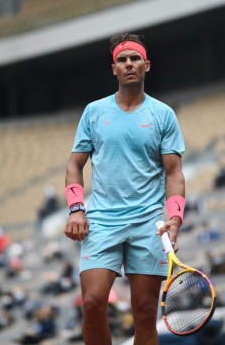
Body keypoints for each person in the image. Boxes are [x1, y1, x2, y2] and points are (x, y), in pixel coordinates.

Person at [64, 33, 186, 345]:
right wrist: (77, 209)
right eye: (122, 59)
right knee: (92, 304)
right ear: (113, 68)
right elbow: (74, 165)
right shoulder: (94, 112)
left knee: (144, 312)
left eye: (134, 58)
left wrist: (175, 217)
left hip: (148, 225)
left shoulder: (163, 115)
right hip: (102, 222)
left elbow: (174, 172)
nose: (128, 64)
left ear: (147, 65)